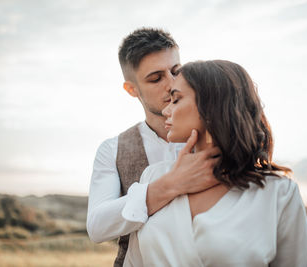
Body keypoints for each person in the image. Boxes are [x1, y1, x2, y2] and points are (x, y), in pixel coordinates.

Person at [124, 60, 307, 266]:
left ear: (212, 106)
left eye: (176, 99)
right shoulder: (153, 177)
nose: (166, 111)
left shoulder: (278, 193)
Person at [86, 28, 221, 266]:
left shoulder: (216, 137)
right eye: (156, 78)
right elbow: (97, 226)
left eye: (176, 71)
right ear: (132, 89)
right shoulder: (112, 149)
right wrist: (171, 185)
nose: (171, 84)